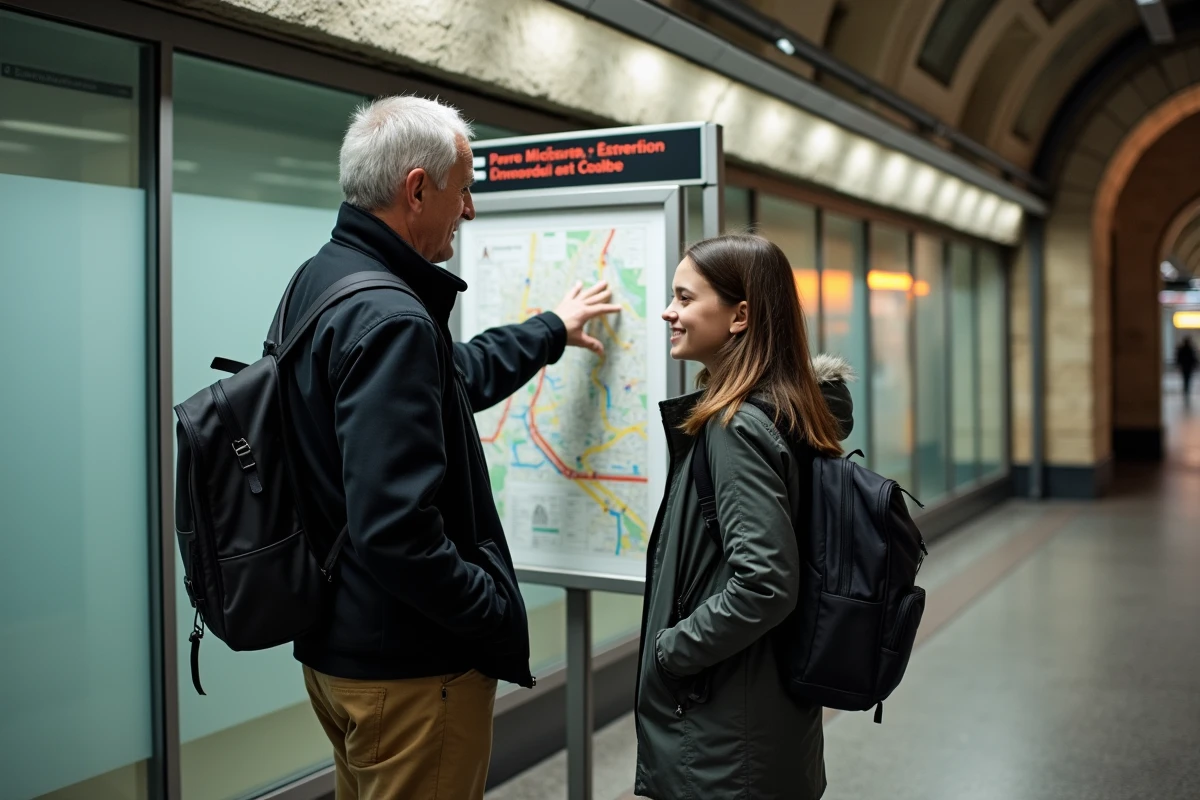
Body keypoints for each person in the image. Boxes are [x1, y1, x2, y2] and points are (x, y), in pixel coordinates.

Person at [280, 96, 619, 800]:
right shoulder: (392, 316)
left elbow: (451, 376)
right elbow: (395, 530)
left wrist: (552, 327)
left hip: (341, 650)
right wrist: (489, 611)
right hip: (409, 672)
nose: (468, 210)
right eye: (463, 190)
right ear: (416, 189)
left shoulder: (323, 281)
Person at [634, 234, 854, 800]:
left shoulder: (737, 426)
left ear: (740, 316)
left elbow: (765, 583)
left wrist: (672, 650)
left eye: (684, 298)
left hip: (724, 730)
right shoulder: (788, 408)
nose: (669, 311)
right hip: (763, 707)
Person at [1177, 335, 1197, 405]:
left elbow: (1179, 358)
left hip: (1185, 366)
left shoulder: (1183, 349)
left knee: (1186, 378)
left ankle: (1186, 389)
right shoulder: (1190, 349)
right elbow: (1194, 358)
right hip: (1188, 366)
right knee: (1187, 378)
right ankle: (1186, 389)